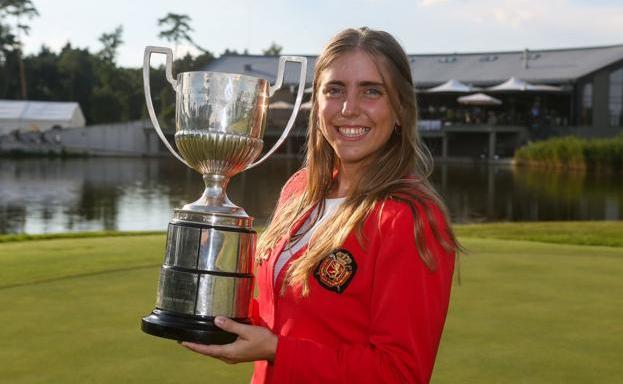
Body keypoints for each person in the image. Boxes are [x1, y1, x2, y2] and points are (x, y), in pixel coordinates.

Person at [182, 27, 460, 384]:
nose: (349, 108)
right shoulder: (300, 190)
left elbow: (400, 374)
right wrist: (209, 311)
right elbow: (285, 319)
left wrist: (277, 350)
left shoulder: (408, 218)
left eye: (371, 91)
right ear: (318, 103)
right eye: (335, 90)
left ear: (401, 108)